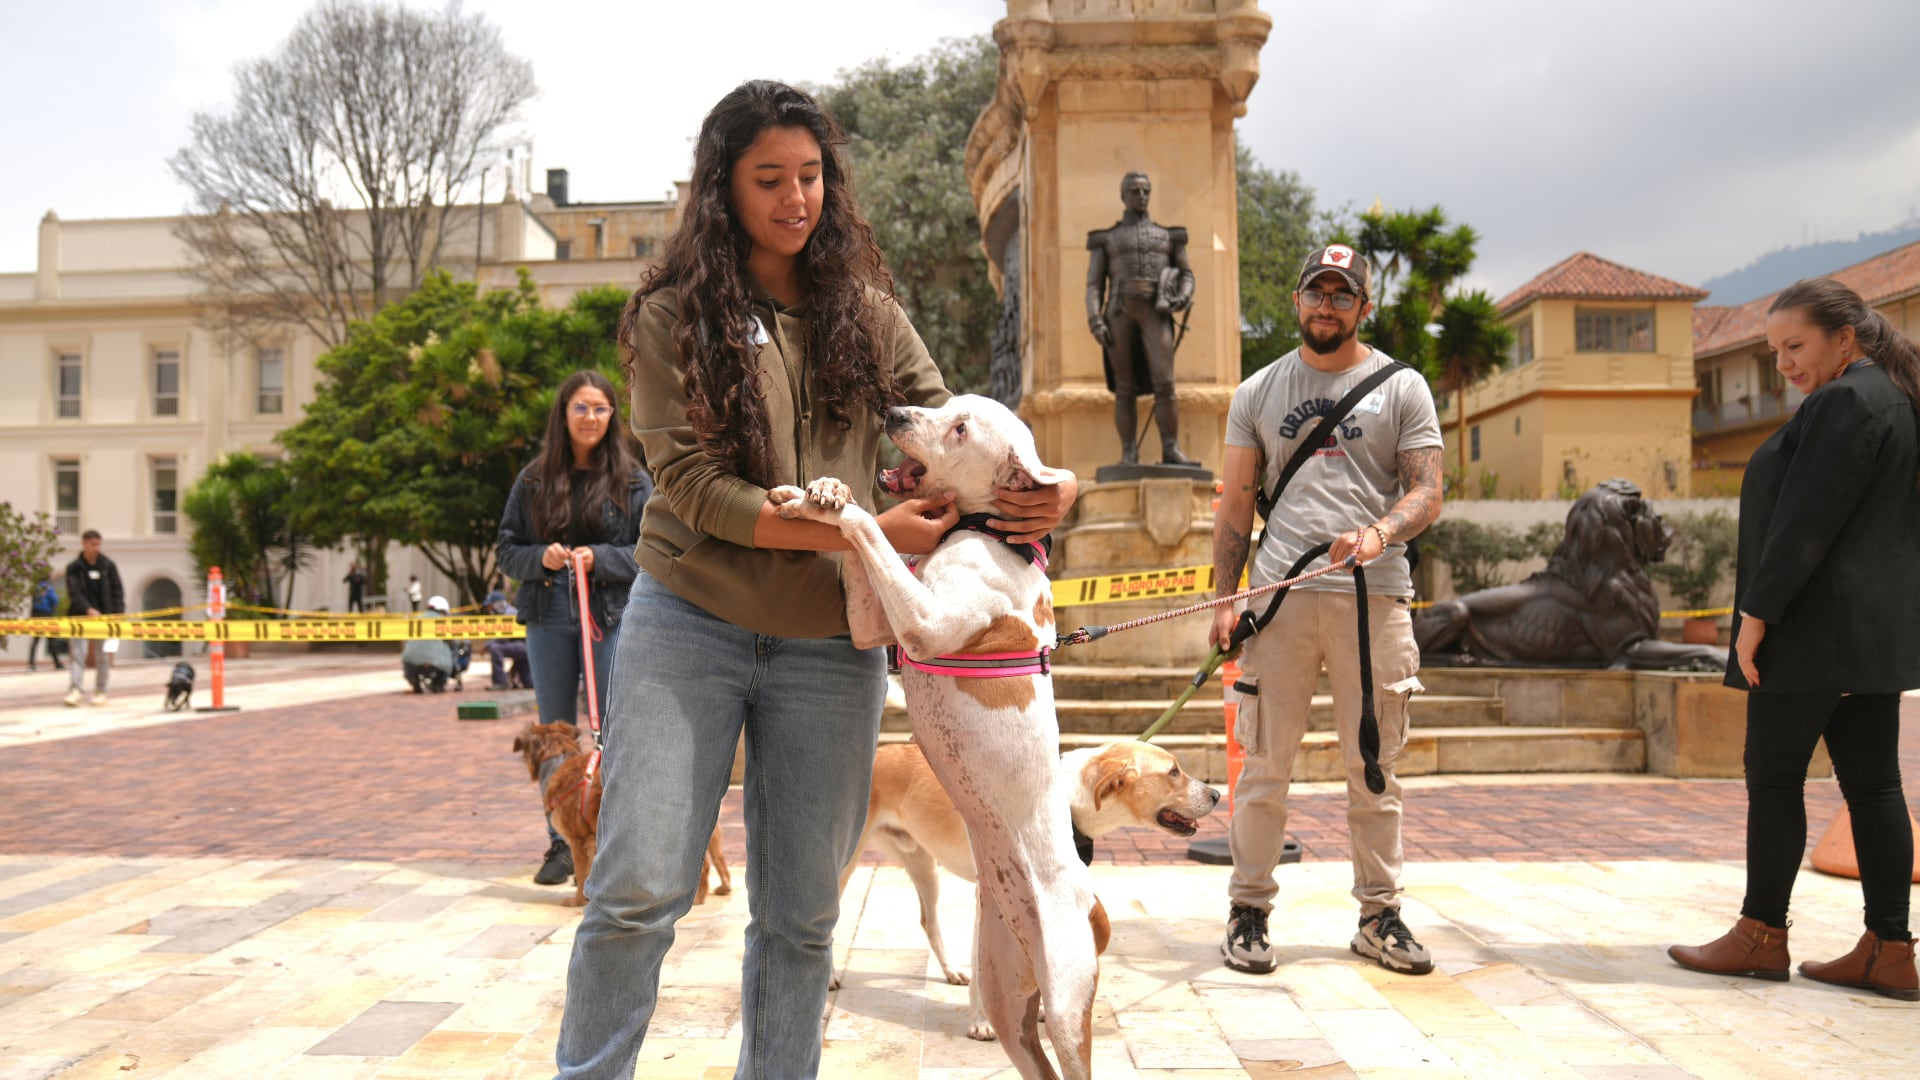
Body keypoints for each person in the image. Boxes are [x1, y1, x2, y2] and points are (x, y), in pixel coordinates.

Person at [551, 80, 1077, 1080]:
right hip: (689, 623)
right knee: (637, 892)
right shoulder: (670, 315)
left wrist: (1057, 488)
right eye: (769, 180)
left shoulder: (865, 313)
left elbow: (952, 428)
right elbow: (695, 487)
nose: (796, 199)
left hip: (830, 648)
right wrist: (860, 533)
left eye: (810, 176)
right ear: (722, 188)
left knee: (801, 915)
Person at [1670, 277, 1919, 1000]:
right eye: (1774, 351)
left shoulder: (1844, 402)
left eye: (1795, 346)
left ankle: (1760, 936)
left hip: (1812, 631)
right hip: (1869, 635)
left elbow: (1804, 522)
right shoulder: (1896, 399)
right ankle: (1889, 950)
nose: (1783, 363)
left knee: (1775, 778)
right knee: (1874, 784)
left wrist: (1755, 617)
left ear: (1845, 339)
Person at [1209, 245, 1444, 977]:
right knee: (1264, 767)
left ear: (1364, 308)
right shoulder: (1258, 390)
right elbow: (1235, 503)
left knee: (1374, 767)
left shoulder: (1402, 387)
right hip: (1279, 599)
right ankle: (1248, 910)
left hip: (1374, 600)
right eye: (1317, 292)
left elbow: (1428, 491)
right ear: (1297, 298)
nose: (1327, 307)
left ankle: (1379, 915)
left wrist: (1380, 531)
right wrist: (1225, 598)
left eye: (1343, 296)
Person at [496, 368, 652, 886]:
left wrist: (599, 558)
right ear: (563, 414)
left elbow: (650, 549)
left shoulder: (633, 480)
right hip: (548, 618)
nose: (590, 417)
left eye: (600, 408)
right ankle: (561, 842)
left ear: (613, 415)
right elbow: (507, 549)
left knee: (614, 728)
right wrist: (540, 557)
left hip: (610, 618)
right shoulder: (533, 480)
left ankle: (617, 838)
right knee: (554, 732)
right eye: (580, 407)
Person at [1085, 170, 1200, 467]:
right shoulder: (1107, 239)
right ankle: (1129, 452)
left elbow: (1186, 274)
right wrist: (1095, 320)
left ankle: (1171, 449)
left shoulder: (1168, 236)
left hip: (1156, 312)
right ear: (1123, 196)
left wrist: (1183, 296)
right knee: (1124, 387)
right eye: (1135, 191)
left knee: (1165, 383)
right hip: (1119, 313)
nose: (1141, 196)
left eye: (1146, 191)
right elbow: (1094, 285)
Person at [63, 530, 125, 707]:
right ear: (84, 543)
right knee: (78, 654)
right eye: (92, 544)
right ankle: (75, 690)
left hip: (104, 620)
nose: (96, 548)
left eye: (98, 544)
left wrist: (118, 613)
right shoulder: (74, 568)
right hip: (80, 618)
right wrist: (87, 609)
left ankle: (101, 691)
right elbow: (74, 592)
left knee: (103, 656)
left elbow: (117, 591)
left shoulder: (108, 566)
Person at [401, 594, 456, 693]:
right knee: (449, 649)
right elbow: (453, 642)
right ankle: (438, 684)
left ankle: (414, 681)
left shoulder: (416, 619)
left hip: (410, 662)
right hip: (435, 663)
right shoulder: (443, 621)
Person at [27, 578, 60, 671]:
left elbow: (33, 601)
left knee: (35, 640)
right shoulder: (48, 587)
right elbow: (54, 600)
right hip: (46, 614)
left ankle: (31, 663)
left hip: (36, 614)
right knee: (52, 639)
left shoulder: (36, 587)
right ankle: (57, 663)